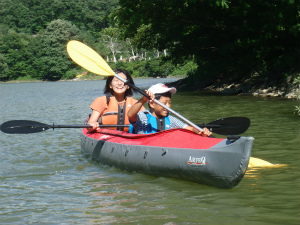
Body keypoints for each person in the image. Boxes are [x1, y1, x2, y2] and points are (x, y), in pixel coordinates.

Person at [127, 83, 212, 136]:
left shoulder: (171, 119)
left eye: (169, 102)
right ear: (152, 104)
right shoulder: (143, 118)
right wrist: (144, 99)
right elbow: (130, 115)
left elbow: (190, 129)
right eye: (164, 103)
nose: (168, 106)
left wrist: (201, 132)